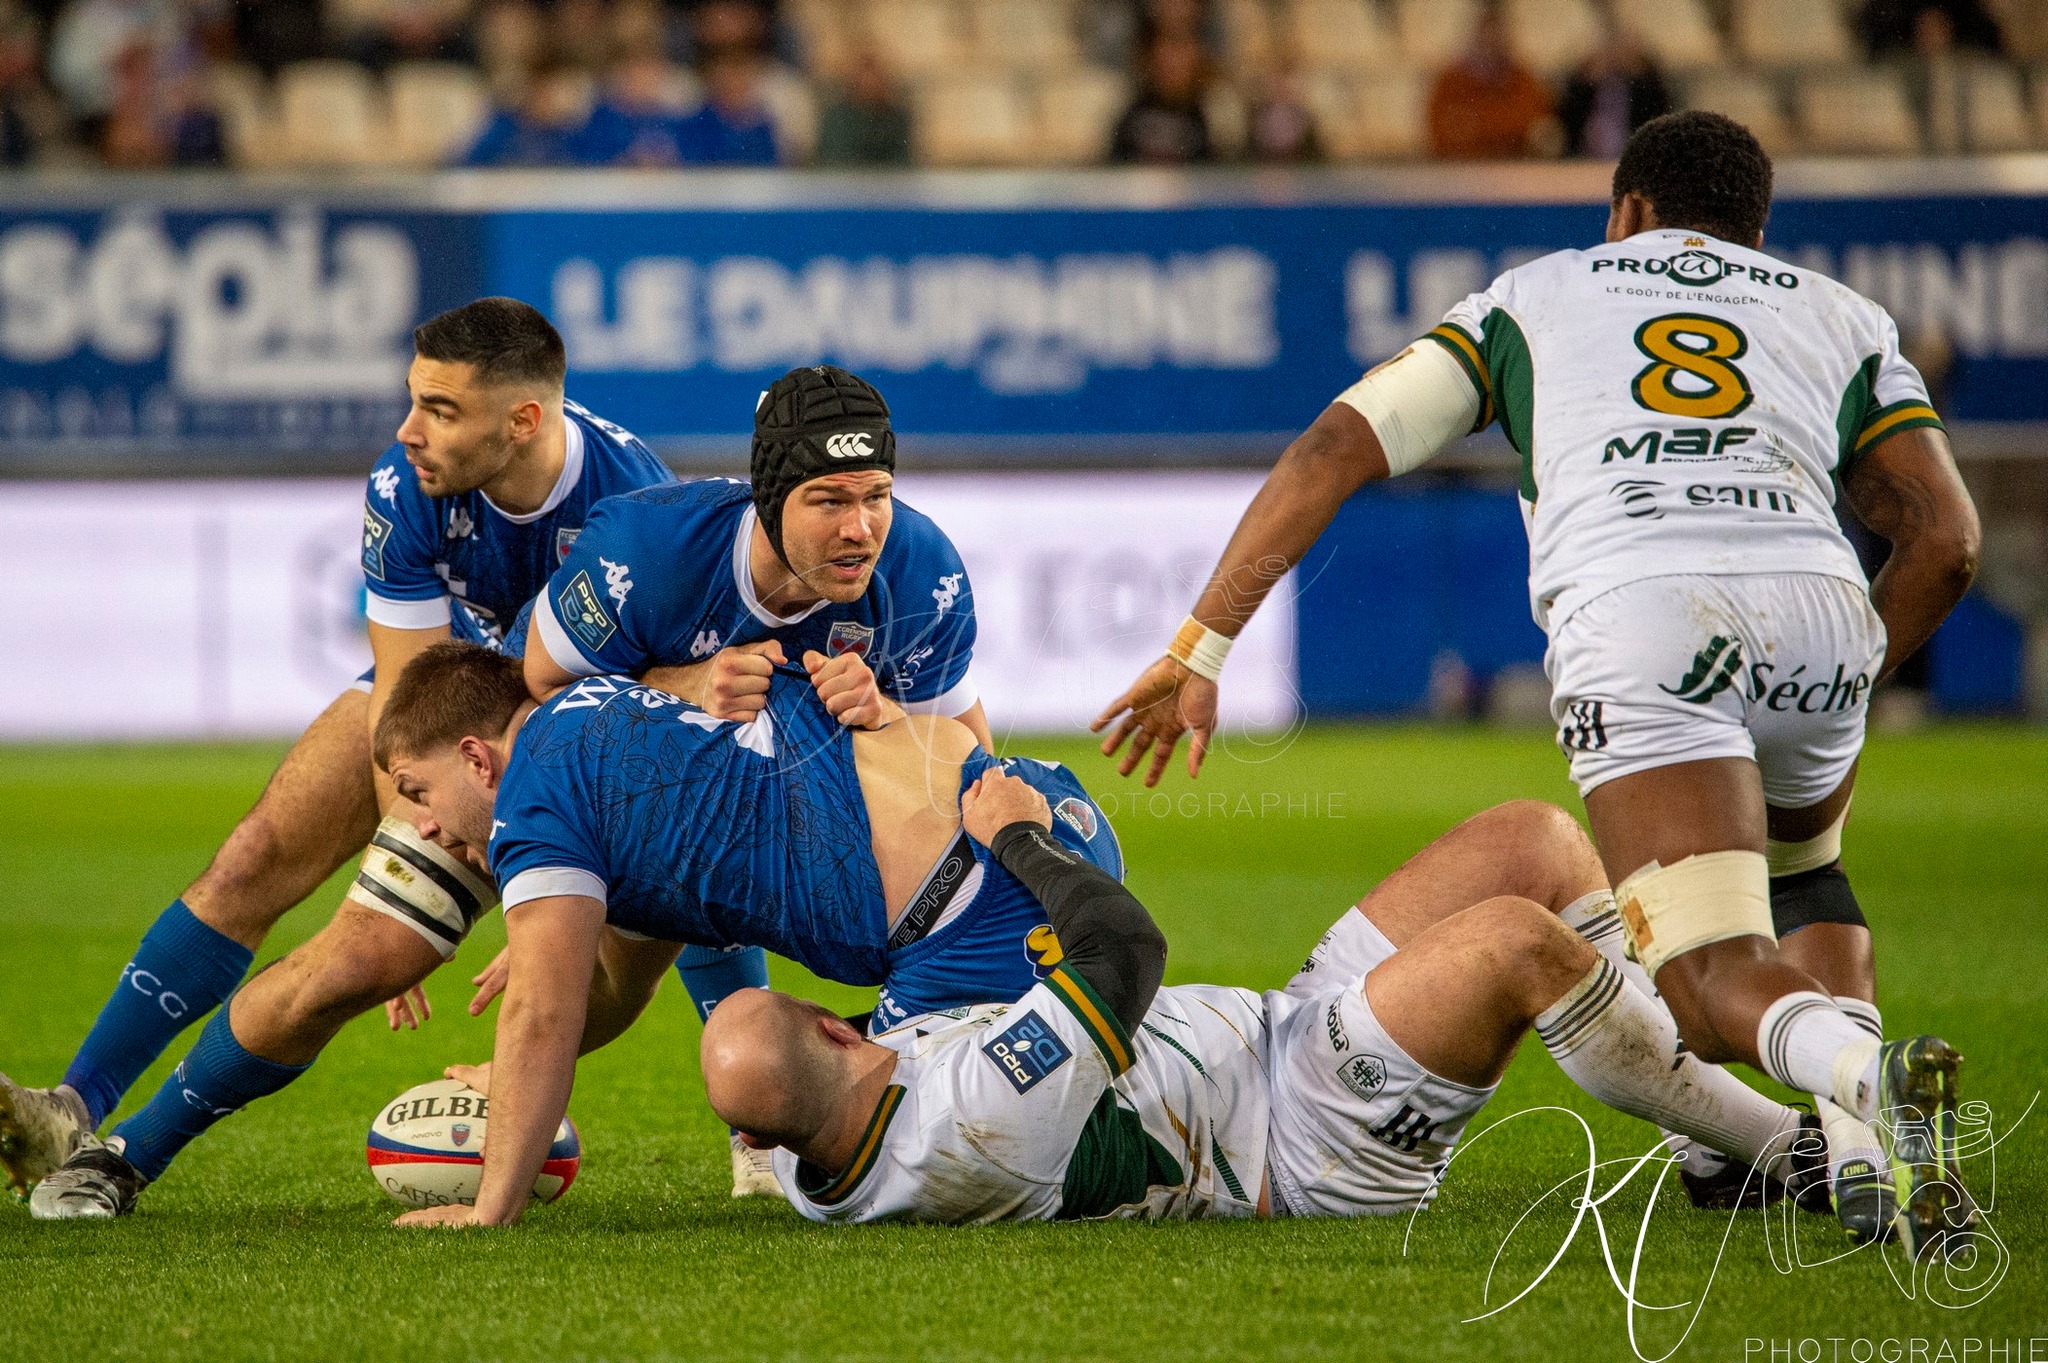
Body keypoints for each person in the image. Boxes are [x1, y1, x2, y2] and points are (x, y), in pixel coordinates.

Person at [1092, 111, 1982, 1259]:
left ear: (1624, 213)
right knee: (1807, 876)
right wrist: (1853, 663)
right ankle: (1865, 1167)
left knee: (1708, 983)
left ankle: (1867, 1076)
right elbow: (1946, 542)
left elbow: (1332, 449)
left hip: (1644, 612)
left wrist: (1200, 646)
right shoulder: (1839, 313)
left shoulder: (1538, 296)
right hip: (1819, 608)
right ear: (1756, 230)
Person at [5, 298, 675, 1215]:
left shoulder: (635, 508)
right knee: (268, 867)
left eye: (440, 409)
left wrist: (521, 884)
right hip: (450, 695)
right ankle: (75, 1116)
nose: (408, 430)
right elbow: (404, 711)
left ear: (522, 423)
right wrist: (399, 864)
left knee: (683, 894)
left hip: (577, 732)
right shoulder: (405, 489)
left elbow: (664, 722)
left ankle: (752, 1131)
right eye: (413, 399)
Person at [695, 772, 1889, 1231]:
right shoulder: (963, 1117)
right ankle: (1782, 1146)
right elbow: (1122, 950)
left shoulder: (818, 1146)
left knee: (1529, 836)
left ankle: (1699, 1140)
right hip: (1301, 1139)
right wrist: (1021, 840)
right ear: (833, 1029)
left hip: (1274, 1032)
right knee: (1517, 945)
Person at [368, 640, 1119, 1228]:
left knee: (875, 1156)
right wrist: (510, 1064)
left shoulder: (530, 801)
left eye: (417, 792)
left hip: (984, 922)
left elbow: (542, 1012)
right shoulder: (597, 710)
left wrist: (488, 1209)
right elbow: (611, 976)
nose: (424, 824)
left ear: (475, 757)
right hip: (1039, 805)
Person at [521, 362, 993, 1189]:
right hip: (646, 786)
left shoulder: (923, 572)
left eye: (875, 494)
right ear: (770, 498)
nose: (861, 529)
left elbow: (971, 768)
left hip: (823, 826)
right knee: (615, 975)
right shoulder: (648, 551)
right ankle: (514, 1075)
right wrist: (686, 685)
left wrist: (889, 713)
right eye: (830, 501)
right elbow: (543, 692)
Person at [1425, 4, 1557, 160]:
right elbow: (1441, 138)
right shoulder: (1449, 83)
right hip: (1460, 174)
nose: (1490, 44)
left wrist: (1479, 127)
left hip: (1515, 174)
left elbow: (1539, 131)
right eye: (1484, 37)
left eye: (1496, 36)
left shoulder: (1524, 81)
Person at [1557, 29, 1670, 159]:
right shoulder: (1585, 85)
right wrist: (1584, 80)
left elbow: (1660, 113)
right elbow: (1567, 120)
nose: (1614, 60)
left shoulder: (1644, 85)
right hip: (1585, 156)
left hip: (1633, 154)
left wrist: (1641, 74)